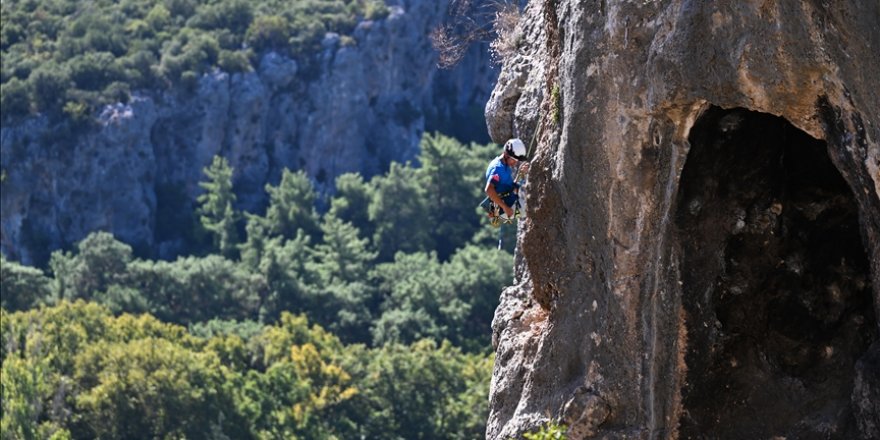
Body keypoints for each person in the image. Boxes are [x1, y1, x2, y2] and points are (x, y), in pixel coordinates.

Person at [482, 138, 529, 223]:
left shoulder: (504, 165)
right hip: (503, 209)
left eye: (517, 160)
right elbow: (489, 189)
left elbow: (510, 187)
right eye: (514, 160)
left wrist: (520, 173)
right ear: (506, 155)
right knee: (532, 206)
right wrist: (505, 207)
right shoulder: (498, 169)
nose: (515, 162)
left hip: (507, 200)